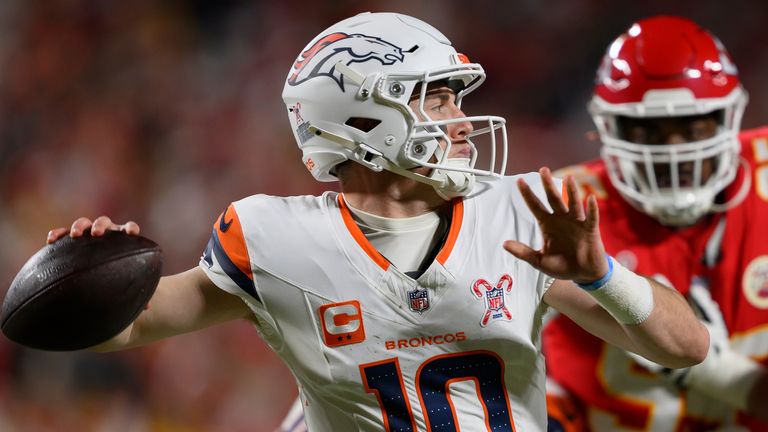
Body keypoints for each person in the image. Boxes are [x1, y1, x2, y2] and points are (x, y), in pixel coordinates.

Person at [47, 12, 708, 431]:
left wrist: (602, 276)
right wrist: (85, 276)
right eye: (438, 100)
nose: (460, 122)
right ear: (362, 120)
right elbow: (124, 326)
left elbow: (686, 347)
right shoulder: (275, 240)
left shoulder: (518, 213)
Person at [543, 15, 768, 431]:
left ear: (727, 119)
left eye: (692, 126)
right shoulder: (561, 209)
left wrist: (719, 374)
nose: (673, 151)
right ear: (608, 127)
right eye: (648, 130)